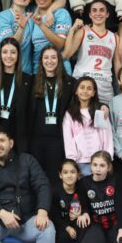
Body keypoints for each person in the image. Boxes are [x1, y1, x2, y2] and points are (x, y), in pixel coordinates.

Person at [29, 46, 75, 184]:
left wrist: (103, 106)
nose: (50, 61)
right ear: (41, 61)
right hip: (36, 140)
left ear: (59, 60)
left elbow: (83, 102)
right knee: (36, 178)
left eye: (53, 57)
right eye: (46, 57)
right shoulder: (31, 81)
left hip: (58, 139)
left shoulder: (70, 83)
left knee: (55, 178)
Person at [63, 0, 118, 105]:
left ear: (107, 14)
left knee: (103, 120)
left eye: (102, 10)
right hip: (82, 85)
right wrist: (72, 30)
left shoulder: (115, 37)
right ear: (90, 14)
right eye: (94, 10)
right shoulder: (83, 32)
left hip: (104, 88)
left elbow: (118, 65)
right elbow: (67, 54)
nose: (98, 13)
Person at [62, 77, 113, 176]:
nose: (85, 91)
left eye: (89, 88)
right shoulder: (70, 114)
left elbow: (107, 137)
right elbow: (69, 139)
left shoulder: (100, 111)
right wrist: (72, 161)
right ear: (76, 91)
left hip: (100, 162)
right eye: (82, 87)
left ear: (94, 93)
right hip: (80, 162)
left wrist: (107, 157)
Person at [0, 38, 32, 151]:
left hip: (17, 135)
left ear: (18, 55)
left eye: (13, 52)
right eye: (5, 52)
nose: (9, 56)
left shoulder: (27, 80)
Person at [50, 159, 87, 243]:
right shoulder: (55, 190)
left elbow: (88, 207)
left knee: (87, 230)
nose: (69, 175)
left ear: (78, 174)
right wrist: (67, 227)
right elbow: (53, 214)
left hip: (77, 223)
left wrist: (83, 214)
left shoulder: (82, 189)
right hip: (61, 224)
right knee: (62, 238)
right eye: (65, 172)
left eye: (72, 172)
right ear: (60, 175)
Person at [30, 0, 73, 74]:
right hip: (38, 70)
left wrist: (42, 25)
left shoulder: (61, 13)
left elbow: (60, 44)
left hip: (59, 70)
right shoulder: (32, 16)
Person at [0, 0, 35, 75]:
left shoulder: (32, 18)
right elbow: (10, 46)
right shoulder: (2, 17)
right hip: (2, 72)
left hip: (24, 72)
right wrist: (21, 28)